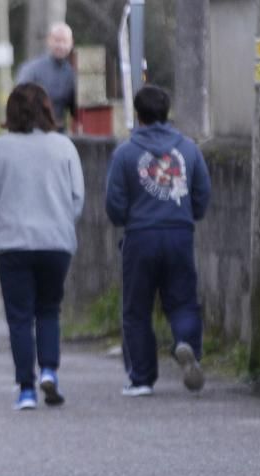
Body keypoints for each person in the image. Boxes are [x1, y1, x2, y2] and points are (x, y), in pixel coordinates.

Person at [0, 83, 85, 410]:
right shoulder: (64, 146)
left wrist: (3, 222)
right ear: (47, 109)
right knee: (49, 309)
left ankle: (26, 389)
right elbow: (77, 198)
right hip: (56, 242)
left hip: (12, 242)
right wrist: (61, 221)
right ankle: (50, 371)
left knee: (20, 317)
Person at [105, 84, 211, 396]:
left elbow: (114, 202)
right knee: (182, 301)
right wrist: (190, 215)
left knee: (137, 308)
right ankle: (185, 343)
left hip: (140, 236)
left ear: (138, 115)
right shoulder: (189, 149)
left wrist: (125, 219)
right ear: (167, 114)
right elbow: (203, 193)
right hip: (179, 233)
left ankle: (141, 378)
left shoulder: (125, 153)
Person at [15, 22, 77, 133]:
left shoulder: (72, 74)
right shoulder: (31, 70)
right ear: (49, 41)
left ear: (71, 43)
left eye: (65, 41)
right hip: (33, 131)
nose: (61, 45)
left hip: (59, 132)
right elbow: (19, 101)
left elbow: (76, 110)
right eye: (57, 40)